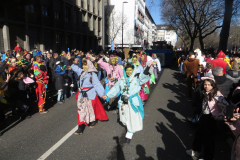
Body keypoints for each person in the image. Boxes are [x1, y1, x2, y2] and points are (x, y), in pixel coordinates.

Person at [102, 62, 153, 143]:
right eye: (127, 70)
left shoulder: (137, 78)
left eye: (130, 70)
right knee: (124, 119)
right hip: (123, 101)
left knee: (132, 117)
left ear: (133, 70)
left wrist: (148, 67)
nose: (129, 72)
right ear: (125, 71)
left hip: (133, 101)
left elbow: (143, 76)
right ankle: (129, 126)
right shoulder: (122, 80)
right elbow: (116, 88)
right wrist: (107, 95)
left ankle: (130, 132)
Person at [186, 76, 229, 160]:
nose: (206, 86)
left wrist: (218, 116)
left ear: (213, 85)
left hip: (211, 119)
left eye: (209, 84)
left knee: (209, 140)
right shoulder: (205, 92)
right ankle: (196, 151)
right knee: (198, 135)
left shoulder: (217, 95)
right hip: (204, 117)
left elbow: (226, 108)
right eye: (205, 84)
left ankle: (208, 158)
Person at [71, 59, 108, 135]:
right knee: (81, 110)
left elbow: (97, 85)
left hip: (90, 94)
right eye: (83, 65)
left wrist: (102, 94)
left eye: (86, 65)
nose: (84, 67)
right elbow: (74, 67)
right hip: (81, 95)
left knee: (91, 109)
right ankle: (80, 127)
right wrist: (71, 60)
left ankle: (93, 120)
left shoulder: (92, 75)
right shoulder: (81, 72)